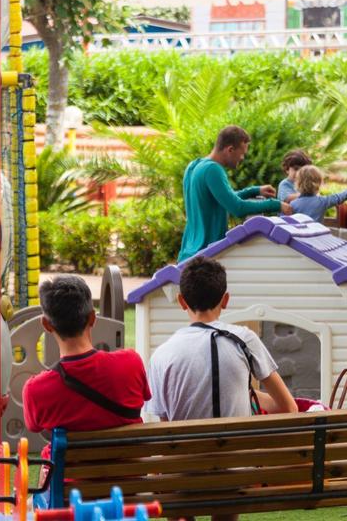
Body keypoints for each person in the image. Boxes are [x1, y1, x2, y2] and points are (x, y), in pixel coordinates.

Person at [146, 256, 297, 422]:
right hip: (238, 439)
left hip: (186, 440)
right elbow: (289, 408)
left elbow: (166, 426)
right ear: (225, 300)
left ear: (182, 301)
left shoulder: (160, 356)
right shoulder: (245, 339)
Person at [22, 275, 150, 433]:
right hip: (130, 450)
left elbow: (33, 427)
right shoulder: (131, 363)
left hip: (69, 451)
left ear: (46, 325)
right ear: (92, 318)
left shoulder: (35, 390)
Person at [178, 126, 292, 261]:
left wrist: (254, 191)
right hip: (205, 256)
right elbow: (237, 208)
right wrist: (276, 205)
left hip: (188, 253)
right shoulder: (212, 169)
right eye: (242, 153)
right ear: (230, 150)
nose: (242, 158)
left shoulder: (194, 166)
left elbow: (225, 199)